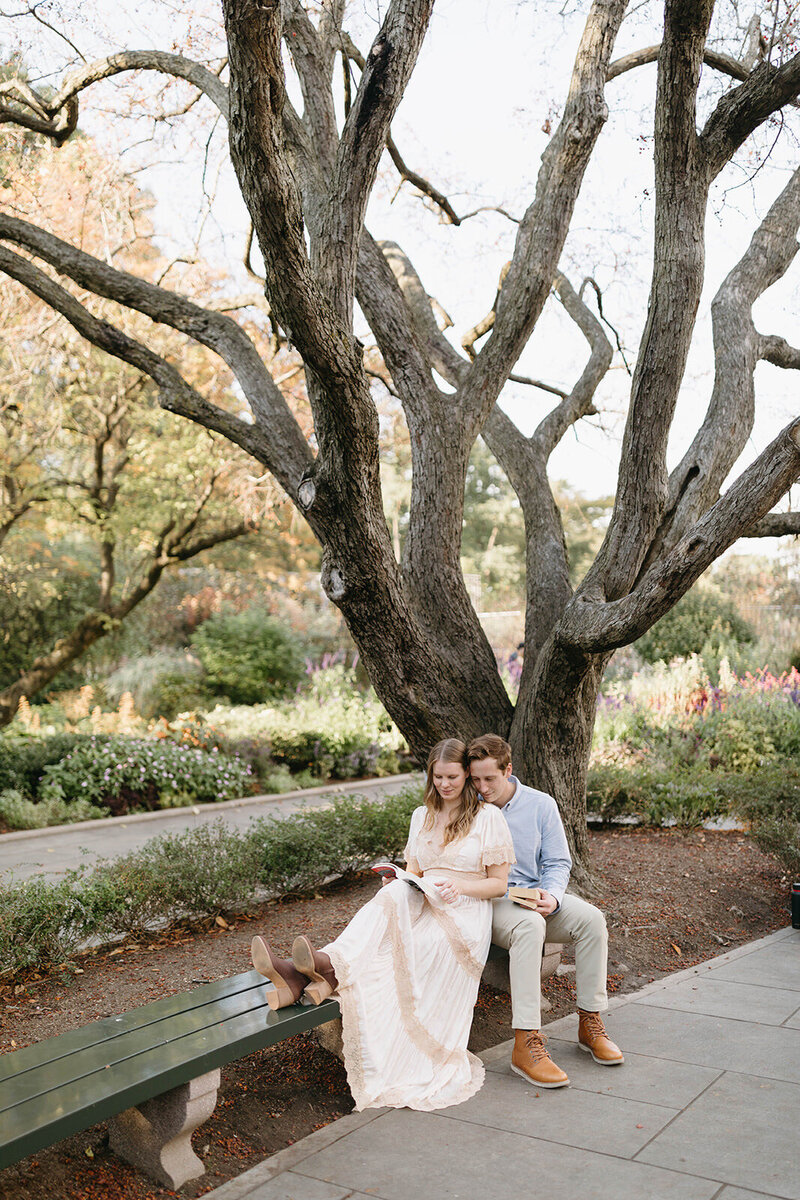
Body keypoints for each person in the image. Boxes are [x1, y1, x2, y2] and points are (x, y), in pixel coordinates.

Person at [250, 737, 515, 1112]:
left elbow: (499, 884)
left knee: (408, 949)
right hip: (422, 897)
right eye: (438, 776)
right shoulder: (421, 815)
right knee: (391, 896)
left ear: (467, 776)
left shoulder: (488, 818)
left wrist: (460, 886)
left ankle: (310, 974)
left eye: (453, 777)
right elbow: (416, 872)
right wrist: (400, 879)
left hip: (464, 911)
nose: (445, 784)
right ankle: (314, 969)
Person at [467, 734, 623, 1089]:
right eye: (475, 779)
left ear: (509, 769)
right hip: (491, 900)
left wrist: (552, 897)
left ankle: (590, 1023)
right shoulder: (468, 807)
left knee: (592, 920)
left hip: (535, 895)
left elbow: (557, 862)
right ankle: (526, 1042)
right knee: (527, 928)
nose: (482, 787)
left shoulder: (540, 805)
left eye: (489, 778)